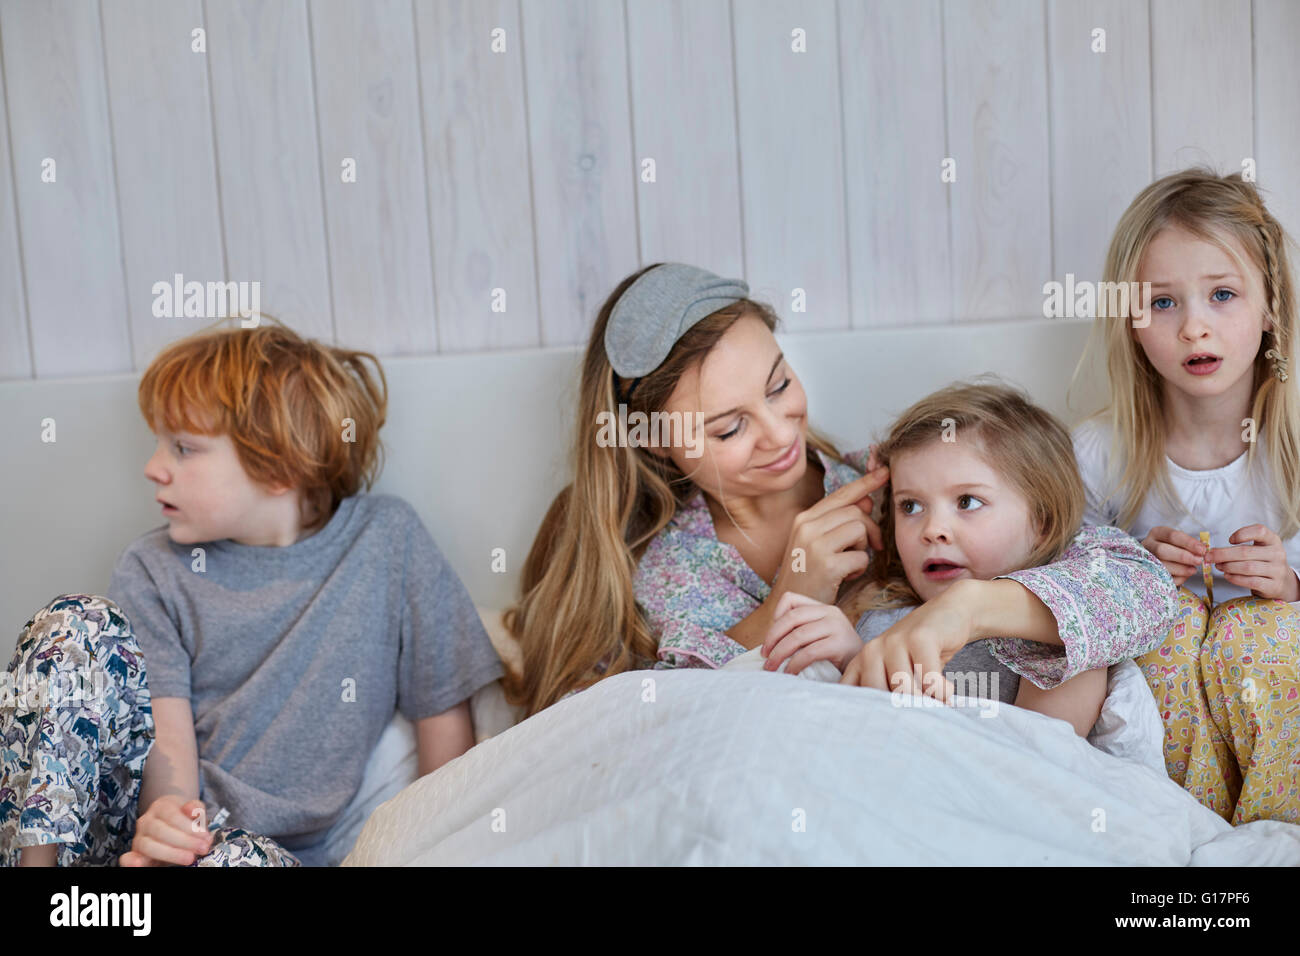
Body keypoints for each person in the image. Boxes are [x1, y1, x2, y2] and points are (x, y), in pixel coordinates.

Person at [503, 263, 1180, 719]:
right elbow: (623, 731)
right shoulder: (655, 567)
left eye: (778, 385)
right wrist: (785, 603)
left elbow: (1132, 585)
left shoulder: (896, 489)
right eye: (729, 427)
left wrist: (969, 608)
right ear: (656, 441)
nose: (779, 433)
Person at [1, 321, 503, 866]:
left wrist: (434, 851)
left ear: (279, 467)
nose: (153, 468)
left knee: (237, 861)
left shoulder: (388, 542)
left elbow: (443, 721)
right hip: (142, 838)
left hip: (259, 858)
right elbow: (166, 741)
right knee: (73, 621)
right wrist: (170, 822)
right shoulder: (152, 569)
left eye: (183, 448)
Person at [1073, 167, 1300, 823]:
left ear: (1270, 308)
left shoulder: (1289, 447)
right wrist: (1130, 569)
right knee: (1161, 632)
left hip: (1272, 683)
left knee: (1260, 632)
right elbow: (1064, 585)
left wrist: (1289, 584)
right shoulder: (1100, 451)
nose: (1194, 328)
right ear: (1132, 321)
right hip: (1170, 719)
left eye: (1222, 294)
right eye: (1164, 303)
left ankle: (1275, 830)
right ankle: (1194, 828)